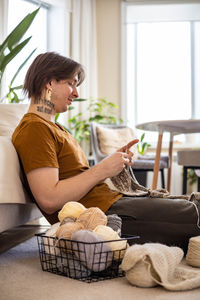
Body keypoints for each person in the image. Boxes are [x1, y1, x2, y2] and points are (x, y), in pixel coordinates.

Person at [12, 52, 200, 252]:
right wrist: (102, 169)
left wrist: (110, 166)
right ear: (49, 82)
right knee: (194, 212)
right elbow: (49, 199)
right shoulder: (34, 128)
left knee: (190, 202)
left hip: (112, 203)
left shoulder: (54, 128)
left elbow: (76, 178)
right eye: (71, 83)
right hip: (105, 216)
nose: (76, 93)